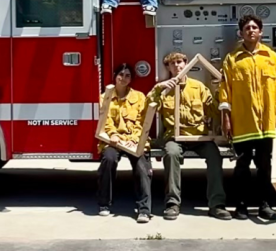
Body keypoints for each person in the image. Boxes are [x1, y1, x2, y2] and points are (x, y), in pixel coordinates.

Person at [219, 15, 276, 220]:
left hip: (267, 124)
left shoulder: (272, 57)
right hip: (242, 122)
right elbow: (225, 92)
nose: (251, 30)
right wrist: (226, 119)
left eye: (254, 27)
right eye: (247, 28)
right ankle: (241, 205)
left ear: (261, 32)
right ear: (241, 33)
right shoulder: (232, 59)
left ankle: (264, 205)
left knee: (264, 166)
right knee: (242, 166)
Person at [149, 51, 229, 220]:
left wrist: (219, 90)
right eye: (172, 63)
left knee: (214, 155)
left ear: (186, 64)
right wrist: (158, 89)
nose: (177, 66)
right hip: (174, 138)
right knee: (171, 154)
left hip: (198, 136)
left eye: (179, 62)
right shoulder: (165, 89)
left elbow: (214, 109)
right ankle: (172, 203)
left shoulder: (198, 87)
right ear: (168, 68)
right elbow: (148, 108)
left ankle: (217, 204)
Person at [97, 63, 153, 222]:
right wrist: (113, 134)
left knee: (142, 164)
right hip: (112, 141)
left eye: (127, 75)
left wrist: (134, 139)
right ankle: (104, 203)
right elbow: (105, 120)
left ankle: (144, 209)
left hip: (133, 141)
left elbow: (142, 122)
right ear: (115, 76)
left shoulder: (140, 97)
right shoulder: (105, 97)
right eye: (120, 74)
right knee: (108, 159)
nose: (123, 78)